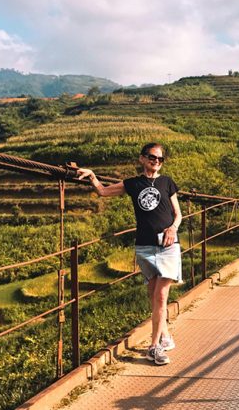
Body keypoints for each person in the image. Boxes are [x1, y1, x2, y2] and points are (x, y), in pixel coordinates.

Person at [77, 142, 182, 366]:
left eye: (160, 159)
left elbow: (178, 214)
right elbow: (103, 192)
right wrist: (92, 175)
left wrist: (173, 228)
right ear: (142, 159)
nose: (156, 161)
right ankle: (164, 334)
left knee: (161, 295)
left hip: (168, 245)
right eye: (152, 157)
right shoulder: (132, 184)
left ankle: (153, 348)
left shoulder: (167, 182)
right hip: (144, 246)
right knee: (152, 293)